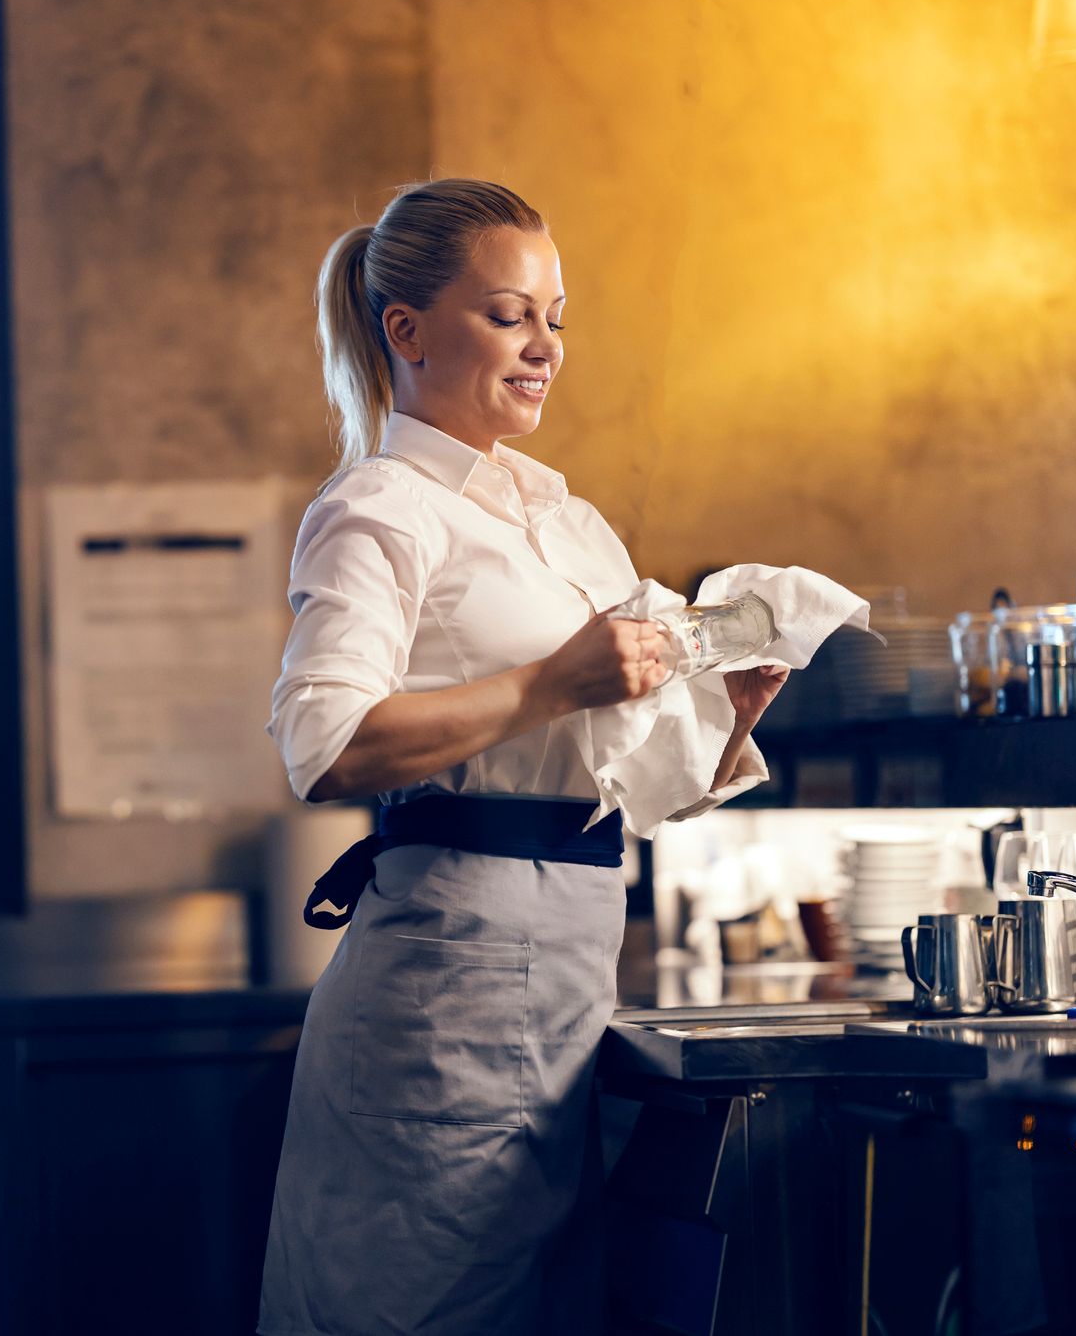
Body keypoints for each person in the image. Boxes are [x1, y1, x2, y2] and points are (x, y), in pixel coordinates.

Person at [259, 179, 788, 1335]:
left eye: (557, 316)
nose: (546, 346)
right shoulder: (380, 507)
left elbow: (612, 769)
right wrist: (556, 681)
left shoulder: (568, 520)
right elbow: (324, 742)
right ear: (406, 330)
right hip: (443, 987)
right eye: (511, 316)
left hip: (568, 978)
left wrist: (725, 716)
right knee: (428, 1308)